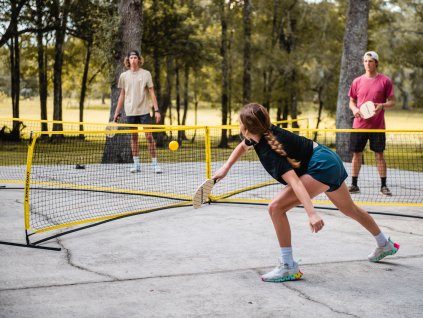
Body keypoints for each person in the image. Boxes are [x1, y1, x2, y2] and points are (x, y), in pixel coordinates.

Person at [212, 103, 399, 283]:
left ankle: (288, 265)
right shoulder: (265, 132)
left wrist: (311, 213)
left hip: (321, 167)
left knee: (275, 208)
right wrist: (226, 168)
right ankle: (384, 243)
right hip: (329, 158)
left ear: (245, 127)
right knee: (349, 208)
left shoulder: (270, 151)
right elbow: (243, 146)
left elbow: (295, 182)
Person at [348, 51, 396, 195]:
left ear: (376, 63)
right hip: (359, 126)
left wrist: (382, 105)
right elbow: (351, 101)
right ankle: (354, 185)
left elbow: (392, 102)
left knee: (379, 155)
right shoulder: (357, 81)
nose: (367, 64)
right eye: (365, 61)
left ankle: (383, 186)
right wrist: (355, 109)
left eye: (370, 61)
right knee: (357, 155)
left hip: (378, 126)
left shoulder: (385, 81)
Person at [114, 50, 162, 174]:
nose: (133, 60)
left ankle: (155, 165)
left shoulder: (146, 74)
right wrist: (117, 112)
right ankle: (136, 165)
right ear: (128, 60)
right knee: (134, 138)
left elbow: (152, 92)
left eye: (135, 57)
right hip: (130, 112)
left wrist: (157, 110)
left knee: (149, 137)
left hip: (144, 111)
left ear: (139, 60)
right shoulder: (124, 76)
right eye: (131, 58)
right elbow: (122, 95)